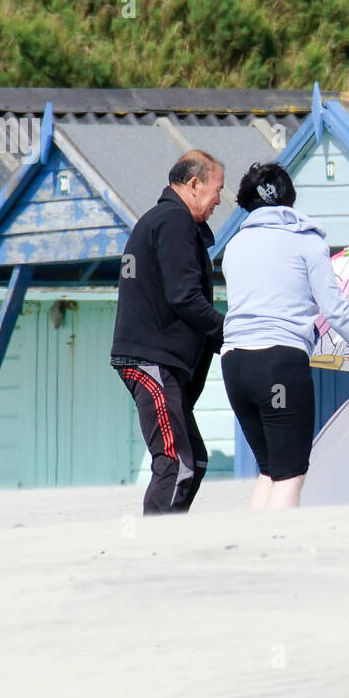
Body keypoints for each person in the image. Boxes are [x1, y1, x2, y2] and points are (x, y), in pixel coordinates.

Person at [220, 163, 349, 510]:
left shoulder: (236, 245)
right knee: (290, 474)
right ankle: (278, 554)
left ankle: (251, 550)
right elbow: (335, 309)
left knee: (269, 471)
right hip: (277, 362)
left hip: (234, 363)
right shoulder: (306, 242)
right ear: (289, 198)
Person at [111, 150, 226, 515]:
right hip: (151, 358)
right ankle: (154, 548)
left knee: (196, 460)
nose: (220, 201)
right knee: (177, 462)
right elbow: (185, 297)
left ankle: (168, 538)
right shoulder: (174, 220)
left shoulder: (171, 220)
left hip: (158, 360)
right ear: (194, 184)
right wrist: (233, 333)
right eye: (218, 189)